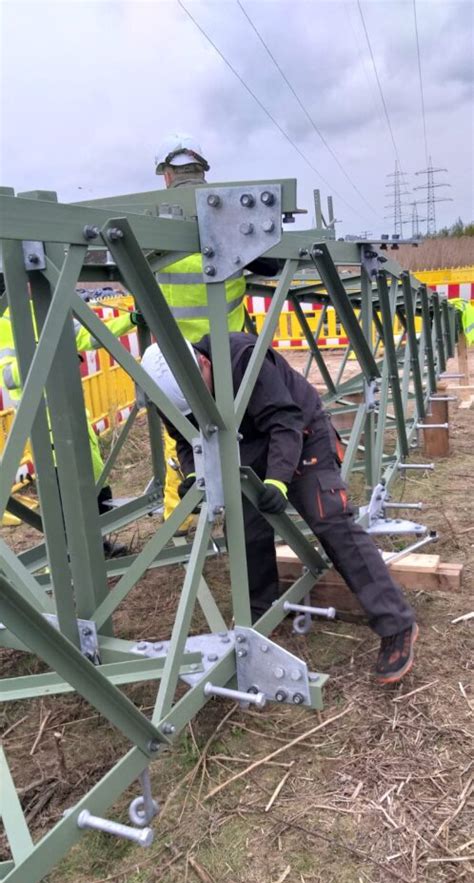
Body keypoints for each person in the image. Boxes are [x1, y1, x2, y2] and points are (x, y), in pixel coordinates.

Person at [140, 332, 418, 686]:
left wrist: (277, 480)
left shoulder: (242, 358)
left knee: (329, 517)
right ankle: (261, 614)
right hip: (245, 447)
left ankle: (396, 623)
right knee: (244, 528)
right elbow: (185, 438)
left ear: (204, 364)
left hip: (300, 432)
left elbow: (285, 421)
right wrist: (196, 474)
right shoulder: (167, 391)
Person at [136, 133, 279, 533]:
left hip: (176, 361)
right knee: (241, 431)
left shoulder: (151, 220)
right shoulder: (229, 216)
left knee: (183, 437)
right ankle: (245, 511)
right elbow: (270, 265)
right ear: (202, 173)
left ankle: (185, 518)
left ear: (167, 176)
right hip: (228, 358)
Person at [0, 300, 134, 556]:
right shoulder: (4, 324)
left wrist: (129, 321)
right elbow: (8, 377)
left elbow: (89, 336)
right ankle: (69, 559)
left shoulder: (40, 307)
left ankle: (98, 543)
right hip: (45, 425)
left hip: (74, 415)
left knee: (96, 483)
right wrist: (51, 354)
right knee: (63, 494)